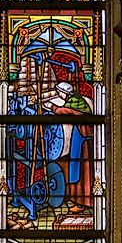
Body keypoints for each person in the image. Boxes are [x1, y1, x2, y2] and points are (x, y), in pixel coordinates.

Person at [44, 81, 94, 211]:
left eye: (59, 92)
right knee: (77, 168)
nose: (58, 94)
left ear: (65, 93)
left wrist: (52, 107)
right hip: (80, 138)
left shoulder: (75, 103)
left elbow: (64, 111)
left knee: (82, 170)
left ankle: (83, 202)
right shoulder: (78, 100)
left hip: (82, 141)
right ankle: (81, 201)